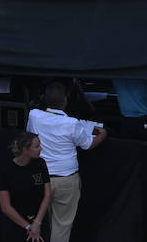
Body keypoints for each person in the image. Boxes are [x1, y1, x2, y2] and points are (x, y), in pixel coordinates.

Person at [26, 82, 107, 242]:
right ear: (65, 101)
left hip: (40, 177)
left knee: (37, 220)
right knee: (61, 225)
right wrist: (103, 134)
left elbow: (29, 134)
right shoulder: (72, 123)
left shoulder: (34, 115)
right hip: (65, 180)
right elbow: (88, 144)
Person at [0, 132, 51, 242]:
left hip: (40, 222)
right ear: (25, 150)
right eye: (36, 146)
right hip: (17, 224)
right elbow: (5, 207)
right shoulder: (6, 170)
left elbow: (48, 194)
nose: (41, 149)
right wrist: (28, 227)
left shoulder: (40, 163)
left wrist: (37, 223)